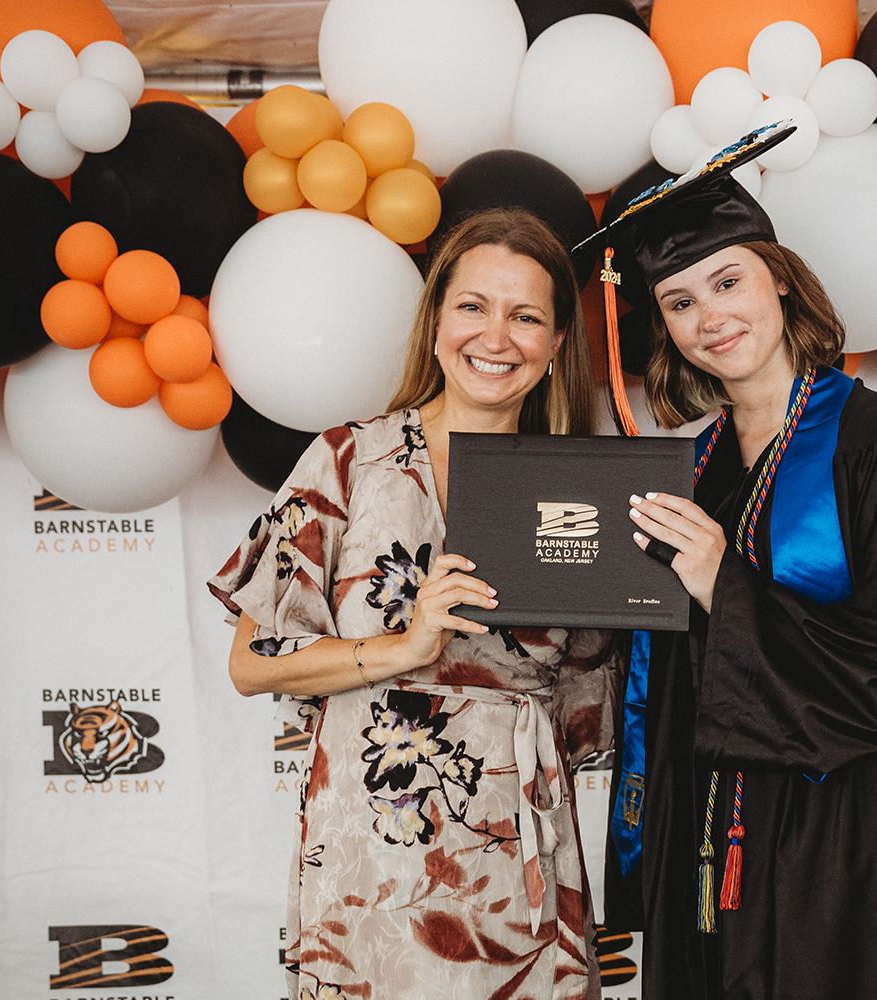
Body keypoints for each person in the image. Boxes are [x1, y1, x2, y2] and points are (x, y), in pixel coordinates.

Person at [586, 127, 877, 999]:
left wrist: (725, 583)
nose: (709, 318)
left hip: (840, 834)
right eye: (680, 302)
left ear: (782, 280)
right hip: (707, 834)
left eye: (728, 282)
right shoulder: (687, 471)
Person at [209, 208, 620, 1000]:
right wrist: (401, 648)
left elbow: (590, 712)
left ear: (557, 343)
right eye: (473, 306)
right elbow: (252, 664)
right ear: (435, 320)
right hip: (372, 842)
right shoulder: (346, 459)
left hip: (517, 842)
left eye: (526, 316)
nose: (495, 337)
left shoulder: (582, 489)